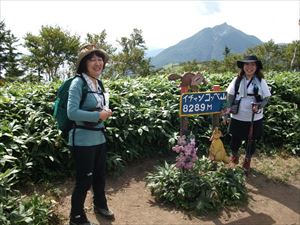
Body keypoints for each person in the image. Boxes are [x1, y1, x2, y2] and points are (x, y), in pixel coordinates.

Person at [67, 44, 114, 225]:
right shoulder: (77, 83)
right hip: (82, 141)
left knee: (100, 176)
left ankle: (100, 205)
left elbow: (97, 108)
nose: (98, 62)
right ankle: (76, 217)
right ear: (84, 64)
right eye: (92, 59)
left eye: (100, 59)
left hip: (99, 137)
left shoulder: (98, 83)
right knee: (84, 181)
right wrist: (98, 115)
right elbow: (72, 113)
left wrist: (104, 112)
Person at [226, 55, 271, 175]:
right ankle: (234, 156)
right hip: (237, 116)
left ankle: (247, 160)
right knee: (235, 138)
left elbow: (266, 98)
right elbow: (230, 97)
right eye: (247, 64)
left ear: (257, 67)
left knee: (251, 140)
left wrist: (259, 106)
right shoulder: (237, 80)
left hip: (255, 117)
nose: (249, 67)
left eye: (252, 64)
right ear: (243, 66)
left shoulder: (261, 81)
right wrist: (227, 112)